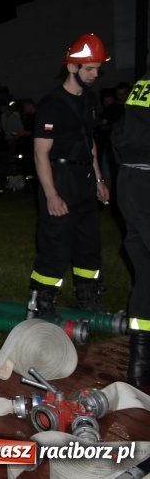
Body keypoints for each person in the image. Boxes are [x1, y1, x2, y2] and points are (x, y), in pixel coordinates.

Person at [27, 33, 111, 318]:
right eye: (89, 68)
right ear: (72, 67)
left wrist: (99, 179)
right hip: (59, 176)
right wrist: (51, 194)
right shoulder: (51, 104)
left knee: (89, 242)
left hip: (85, 178)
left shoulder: (90, 99)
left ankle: (89, 298)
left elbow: (90, 140)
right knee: (56, 243)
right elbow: (40, 153)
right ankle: (43, 303)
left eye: (98, 68)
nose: (95, 74)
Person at [110, 74, 150, 387]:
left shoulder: (144, 83)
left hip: (130, 181)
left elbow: (119, 129)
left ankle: (139, 367)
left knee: (146, 274)